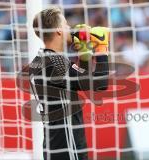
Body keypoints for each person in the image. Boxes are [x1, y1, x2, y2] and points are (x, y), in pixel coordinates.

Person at [29, 7, 109, 160]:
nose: (70, 29)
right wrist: (101, 50)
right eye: (66, 25)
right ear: (58, 29)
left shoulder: (41, 60)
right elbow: (99, 84)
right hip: (68, 145)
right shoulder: (55, 63)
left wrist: (84, 53)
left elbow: (83, 81)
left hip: (54, 145)